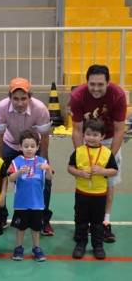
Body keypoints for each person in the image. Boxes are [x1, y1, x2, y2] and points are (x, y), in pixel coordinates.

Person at [69, 64, 127, 243]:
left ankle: (105, 222)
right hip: (87, 137)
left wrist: (109, 157)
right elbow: (77, 130)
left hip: (109, 138)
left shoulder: (118, 95)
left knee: (108, 181)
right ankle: (84, 223)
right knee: (85, 177)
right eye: (92, 84)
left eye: (100, 84)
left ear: (108, 82)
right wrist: (81, 155)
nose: (96, 88)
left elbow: (119, 130)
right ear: (87, 82)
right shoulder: (77, 96)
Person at [0, 77, 54, 235]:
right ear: (9, 98)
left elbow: (45, 135)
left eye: (23, 99)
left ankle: (43, 219)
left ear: (30, 97)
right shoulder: (1, 107)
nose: (19, 103)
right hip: (9, 144)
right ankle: (1, 216)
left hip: (33, 147)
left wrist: (43, 159)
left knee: (45, 180)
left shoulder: (40, 109)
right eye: (15, 99)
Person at [68, 119, 118, 259]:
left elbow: (114, 171)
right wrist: (79, 173)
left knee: (97, 221)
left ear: (102, 136)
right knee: (81, 220)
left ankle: (98, 245)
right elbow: (70, 167)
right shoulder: (79, 151)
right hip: (82, 193)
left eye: (95, 135)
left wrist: (102, 171)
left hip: (99, 194)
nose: (91, 137)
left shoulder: (107, 153)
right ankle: (80, 244)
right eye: (88, 134)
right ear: (84, 135)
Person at [8, 129, 53, 262]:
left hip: (37, 203)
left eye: (32, 146)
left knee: (36, 228)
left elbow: (50, 178)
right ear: (20, 146)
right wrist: (18, 173)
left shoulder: (42, 161)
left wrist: (48, 169)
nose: (29, 149)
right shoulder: (16, 162)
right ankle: (19, 247)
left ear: (37, 147)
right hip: (21, 203)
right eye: (26, 146)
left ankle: (37, 248)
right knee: (20, 228)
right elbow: (11, 178)